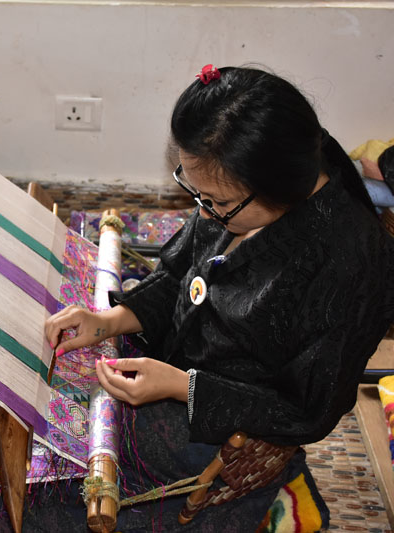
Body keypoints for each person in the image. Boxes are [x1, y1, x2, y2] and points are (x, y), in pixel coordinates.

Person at [41, 64, 394, 531]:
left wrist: (180, 387)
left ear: (277, 189)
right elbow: (181, 274)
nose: (204, 211)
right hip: (173, 362)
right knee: (53, 384)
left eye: (218, 203)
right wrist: (114, 320)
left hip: (228, 426)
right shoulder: (236, 190)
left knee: (53, 467)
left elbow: (309, 410)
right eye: (198, 194)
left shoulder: (351, 263)